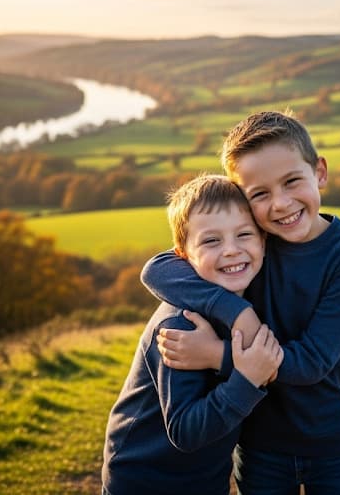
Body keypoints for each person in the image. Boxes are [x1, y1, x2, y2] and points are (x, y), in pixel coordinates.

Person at [141, 111, 340, 494]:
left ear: (319, 172)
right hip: (260, 443)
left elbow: (313, 361)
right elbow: (157, 269)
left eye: (291, 182)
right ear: (243, 201)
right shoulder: (252, 247)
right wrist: (237, 310)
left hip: (334, 443)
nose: (281, 204)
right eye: (260, 194)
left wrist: (218, 354)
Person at [102, 174, 284, 495]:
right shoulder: (180, 326)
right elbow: (184, 431)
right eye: (211, 241)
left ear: (263, 241)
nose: (231, 250)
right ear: (183, 255)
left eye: (244, 234)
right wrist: (245, 378)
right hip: (144, 481)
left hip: (206, 480)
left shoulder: (256, 297)